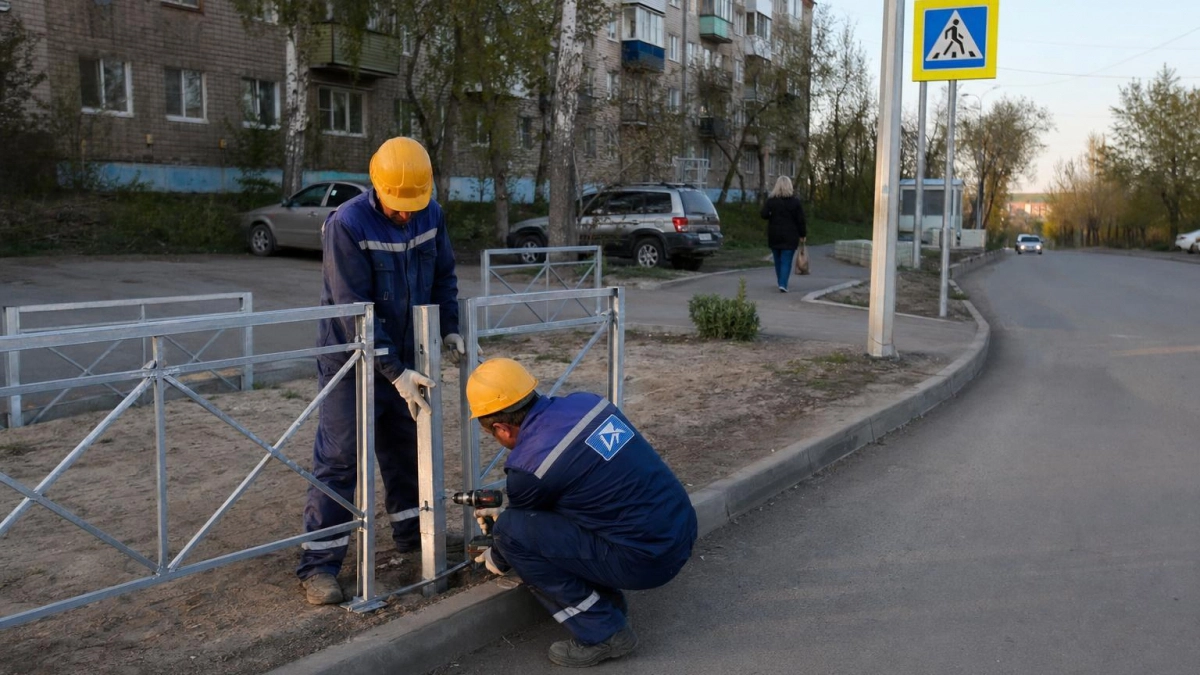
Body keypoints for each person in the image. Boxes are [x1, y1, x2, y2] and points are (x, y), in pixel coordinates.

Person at [297, 137, 463, 605]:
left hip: (406, 359)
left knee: (406, 449)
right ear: (376, 185)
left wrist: (449, 328)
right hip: (351, 362)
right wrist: (393, 370)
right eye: (399, 206)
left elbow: (444, 276)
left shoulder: (431, 213)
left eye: (415, 204)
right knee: (340, 459)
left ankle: (413, 536)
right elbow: (355, 309)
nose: (407, 214)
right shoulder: (347, 224)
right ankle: (320, 564)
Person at [465, 358, 697, 668]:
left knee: (510, 531)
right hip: (681, 528)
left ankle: (603, 632)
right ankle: (606, 602)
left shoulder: (528, 467)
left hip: (648, 561)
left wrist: (495, 556)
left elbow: (523, 529)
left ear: (501, 428)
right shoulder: (588, 403)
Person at [760, 175, 808, 292]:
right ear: (789, 186)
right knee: (786, 260)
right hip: (790, 235)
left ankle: (780, 281)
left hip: (774, 235)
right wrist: (802, 234)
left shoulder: (771, 201)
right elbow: (800, 220)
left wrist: (772, 214)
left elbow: (763, 214)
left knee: (777, 260)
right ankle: (783, 283)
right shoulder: (795, 202)